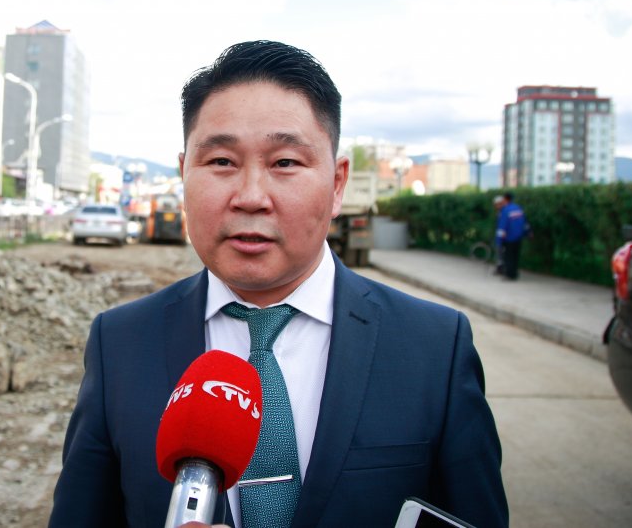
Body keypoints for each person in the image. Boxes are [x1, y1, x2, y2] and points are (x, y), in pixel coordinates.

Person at [49, 41, 508, 528]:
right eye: (221, 162)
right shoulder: (119, 343)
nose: (250, 197)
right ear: (184, 174)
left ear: (337, 183)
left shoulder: (434, 346)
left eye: (285, 162)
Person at [496, 192, 527, 280]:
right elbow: (524, 222)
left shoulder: (505, 210)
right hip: (518, 237)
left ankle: (509, 275)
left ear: (506, 199)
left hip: (509, 237)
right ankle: (514, 274)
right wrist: (526, 233)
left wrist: (499, 241)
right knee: (515, 256)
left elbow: (502, 225)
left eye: (503, 199)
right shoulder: (518, 208)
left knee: (508, 257)